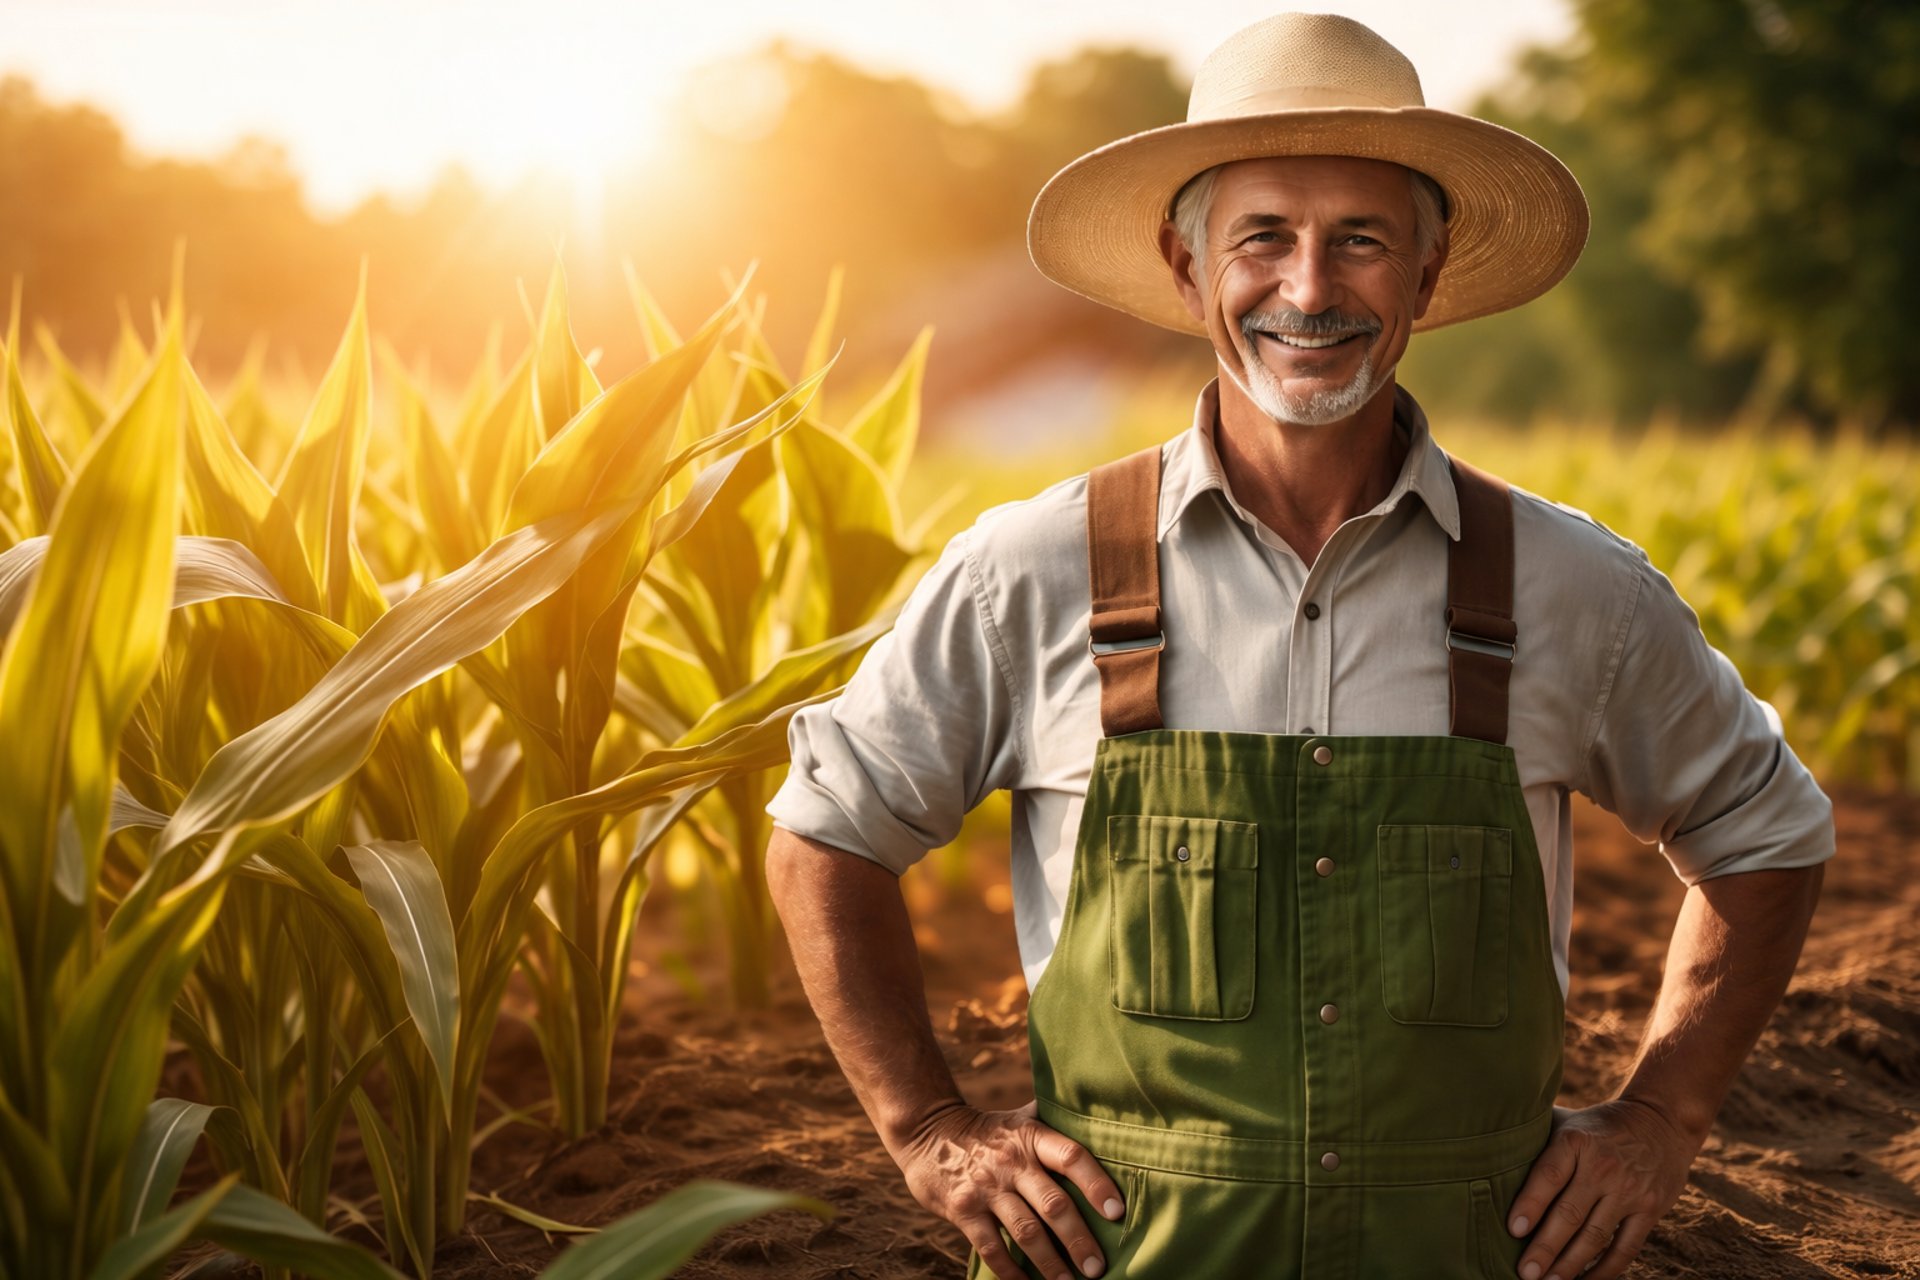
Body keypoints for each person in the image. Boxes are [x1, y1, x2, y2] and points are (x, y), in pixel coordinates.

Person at [764, 12, 1833, 1280]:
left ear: (1428, 276)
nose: (1311, 290)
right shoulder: (1032, 572)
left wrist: (1662, 1118)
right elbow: (827, 832)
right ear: (1185, 263)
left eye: (1362, 241)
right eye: (1262, 236)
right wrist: (931, 1130)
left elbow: (1765, 834)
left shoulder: (1569, 585)